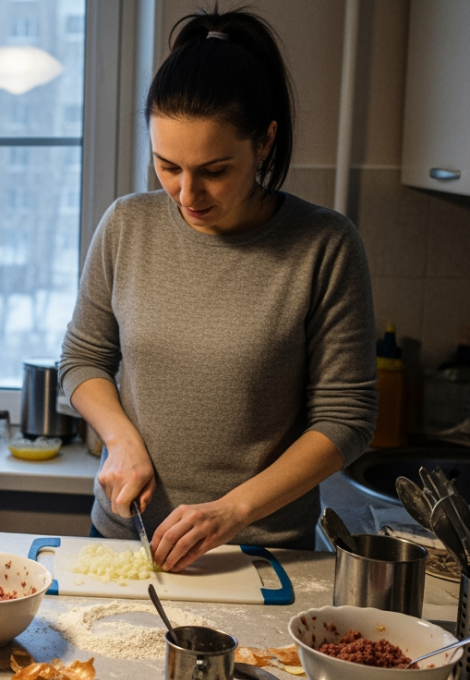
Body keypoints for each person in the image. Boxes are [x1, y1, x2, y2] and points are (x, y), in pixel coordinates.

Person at [58, 9, 376, 573]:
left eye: (214, 169)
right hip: (126, 537)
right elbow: (83, 360)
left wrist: (230, 512)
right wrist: (120, 437)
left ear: (264, 142)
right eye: (166, 165)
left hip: (263, 551)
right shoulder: (127, 226)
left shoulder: (324, 245)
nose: (186, 193)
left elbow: (346, 420)